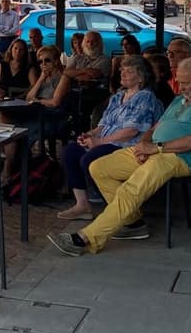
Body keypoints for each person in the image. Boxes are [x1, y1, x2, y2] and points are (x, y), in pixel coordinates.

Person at [47, 58, 191, 255]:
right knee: (98, 167)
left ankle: (86, 238)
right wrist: (144, 144)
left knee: (131, 190)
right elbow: (154, 128)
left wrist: (155, 148)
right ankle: (133, 223)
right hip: (154, 150)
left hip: (178, 157)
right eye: (179, 81)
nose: (181, 87)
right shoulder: (179, 100)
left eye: (186, 83)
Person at [58, 55, 163, 220]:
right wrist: (90, 134)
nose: (123, 74)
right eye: (122, 70)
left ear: (141, 77)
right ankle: (82, 205)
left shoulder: (145, 97)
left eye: (129, 71)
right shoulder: (117, 96)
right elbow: (103, 124)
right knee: (70, 151)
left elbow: (131, 131)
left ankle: (115, 205)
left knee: (89, 158)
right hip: (106, 140)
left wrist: (99, 142)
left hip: (126, 145)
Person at [0, 45, 71, 181]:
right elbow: (29, 98)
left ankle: (7, 168)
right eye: (40, 61)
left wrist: (39, 101)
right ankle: (6, 160)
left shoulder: (63, 77)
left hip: (50, 117)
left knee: (13, 129)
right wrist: (41, 78)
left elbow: (55, 102)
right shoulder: (43, 78)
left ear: (56, 61)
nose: (43, 64)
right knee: (5, 117)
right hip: (35, 113)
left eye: (47, 60)